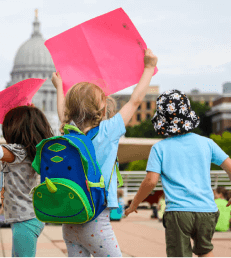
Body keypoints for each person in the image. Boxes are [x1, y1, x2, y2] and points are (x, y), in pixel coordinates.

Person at [52, 48, 157, 258]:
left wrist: (58, 87)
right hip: (96, 219)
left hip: (70, 220)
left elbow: (62, 113)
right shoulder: (108, 131)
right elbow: (135, 101)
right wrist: (149, 67)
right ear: (100, 108)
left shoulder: (68, 133)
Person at [124, 89, 231, 258]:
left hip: (178, 212)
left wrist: (135, 204)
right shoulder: (207, 143)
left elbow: (151, 181)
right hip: (207, 210)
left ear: (162, 121)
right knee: (205, 251)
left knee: (179, 255)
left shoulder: (159, 148)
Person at [0, 102, 54, 257]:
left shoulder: (18, 152)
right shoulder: (30, 152)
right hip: (27, 218)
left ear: (15, 128)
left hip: (25, 220)